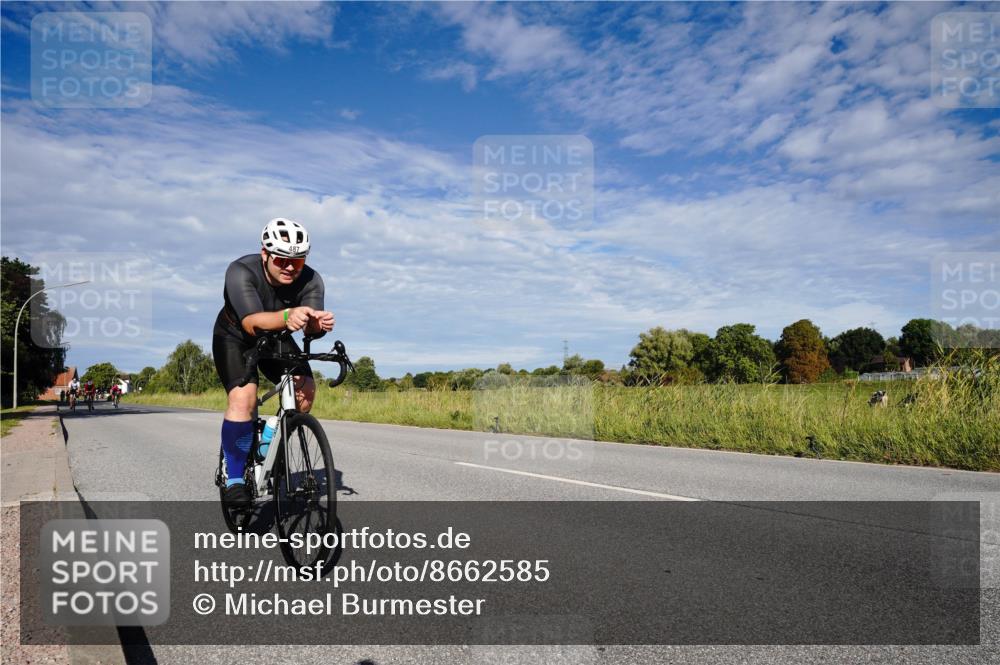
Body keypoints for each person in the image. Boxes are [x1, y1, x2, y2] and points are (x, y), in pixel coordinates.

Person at [212, 218, 334, 508]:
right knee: (244, 400)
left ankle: (268, 439)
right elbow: (252, 322)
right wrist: (287, 316)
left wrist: (318, 325)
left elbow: (308, 328)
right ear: (265, 255)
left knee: (304, 391)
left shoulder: (312, 280)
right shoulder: (241, 271)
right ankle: (235, 478)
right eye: (282, 260)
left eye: (298, 261)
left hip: (278, 335)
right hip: (236, 336)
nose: (290, 267)